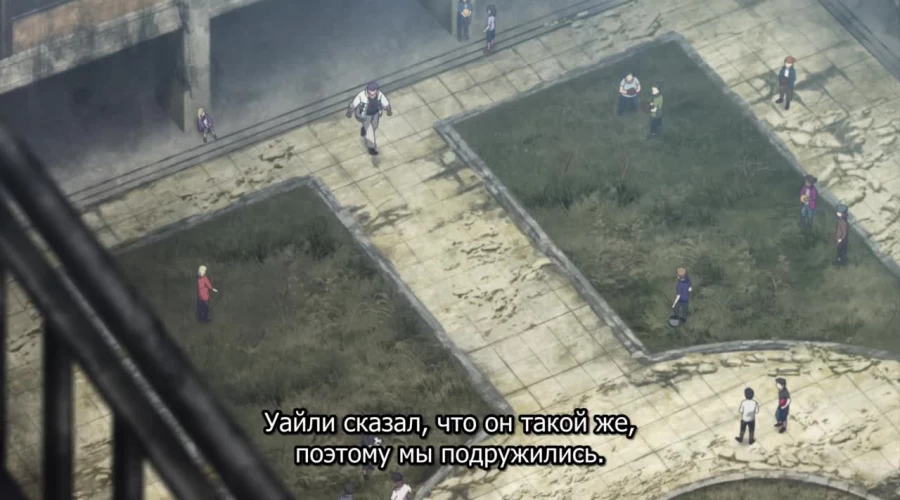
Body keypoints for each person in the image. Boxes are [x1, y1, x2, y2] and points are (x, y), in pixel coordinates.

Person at [346, 82, 392, 156]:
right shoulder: (362, 95)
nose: (372, 93)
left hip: (376, 113)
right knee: (370, 131)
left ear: (376, 90)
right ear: (368, 90)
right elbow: (354, 104)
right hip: (365, 115)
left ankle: (363, 129)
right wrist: (349, 112)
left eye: (374, 90)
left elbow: (385, 102)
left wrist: (388, 109)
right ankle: (371, 147)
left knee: (374, 127)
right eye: (371, 90)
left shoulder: (379, 94)